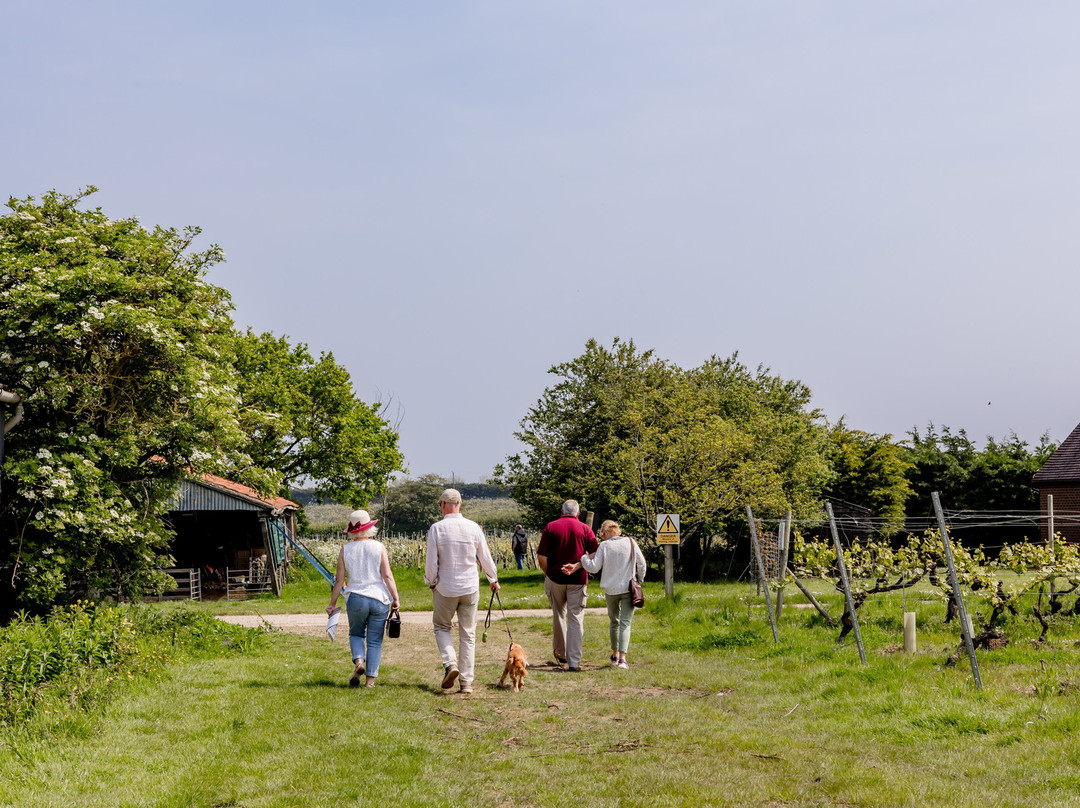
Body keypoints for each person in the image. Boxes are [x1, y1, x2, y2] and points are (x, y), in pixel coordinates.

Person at [424, 488, 500, 695]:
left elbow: (431, 561)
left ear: (442, 505)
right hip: (469, 586)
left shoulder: (437, 529)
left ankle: (450, 664)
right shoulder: (473, 527)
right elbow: (485, 556)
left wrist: (431, 581)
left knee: (441, 627)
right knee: (468, 633)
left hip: (446, 587)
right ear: (460, 504)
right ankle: (466, 682)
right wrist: (493, 578)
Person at [327, 509, 400, 688]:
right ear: (369, 528)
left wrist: (332, 603)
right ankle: (370, 682)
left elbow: (339, 580)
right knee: (375, 640)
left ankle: (359, 661)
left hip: (356, 597)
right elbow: (387, 575)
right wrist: (395, 598)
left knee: (356, 633)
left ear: (352, 530)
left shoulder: (345, 550)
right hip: (379, 598)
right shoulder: (379, 547)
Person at [562, 520, 645, 669]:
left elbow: (593, 568)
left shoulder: (605, 546)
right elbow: (642, 564)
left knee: (614, 622)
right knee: (625, 624)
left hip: (610, 590)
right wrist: (639, 580)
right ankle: (623, 659)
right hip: (628, 588)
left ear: (605, 532)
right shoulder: (631, 542)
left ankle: (614, 656)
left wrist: (583, 558)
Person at [536, 499, 598, 671]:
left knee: (558, 615)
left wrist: (550, 573)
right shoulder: (585, 529)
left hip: (554, 579)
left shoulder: (551, 527)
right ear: (578, 514)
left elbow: (541, 557)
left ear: (562, 512)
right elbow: (595, 553)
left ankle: (561, 653)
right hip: (577, 580)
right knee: (576, 619)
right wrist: (579, 565)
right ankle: (574, 661)